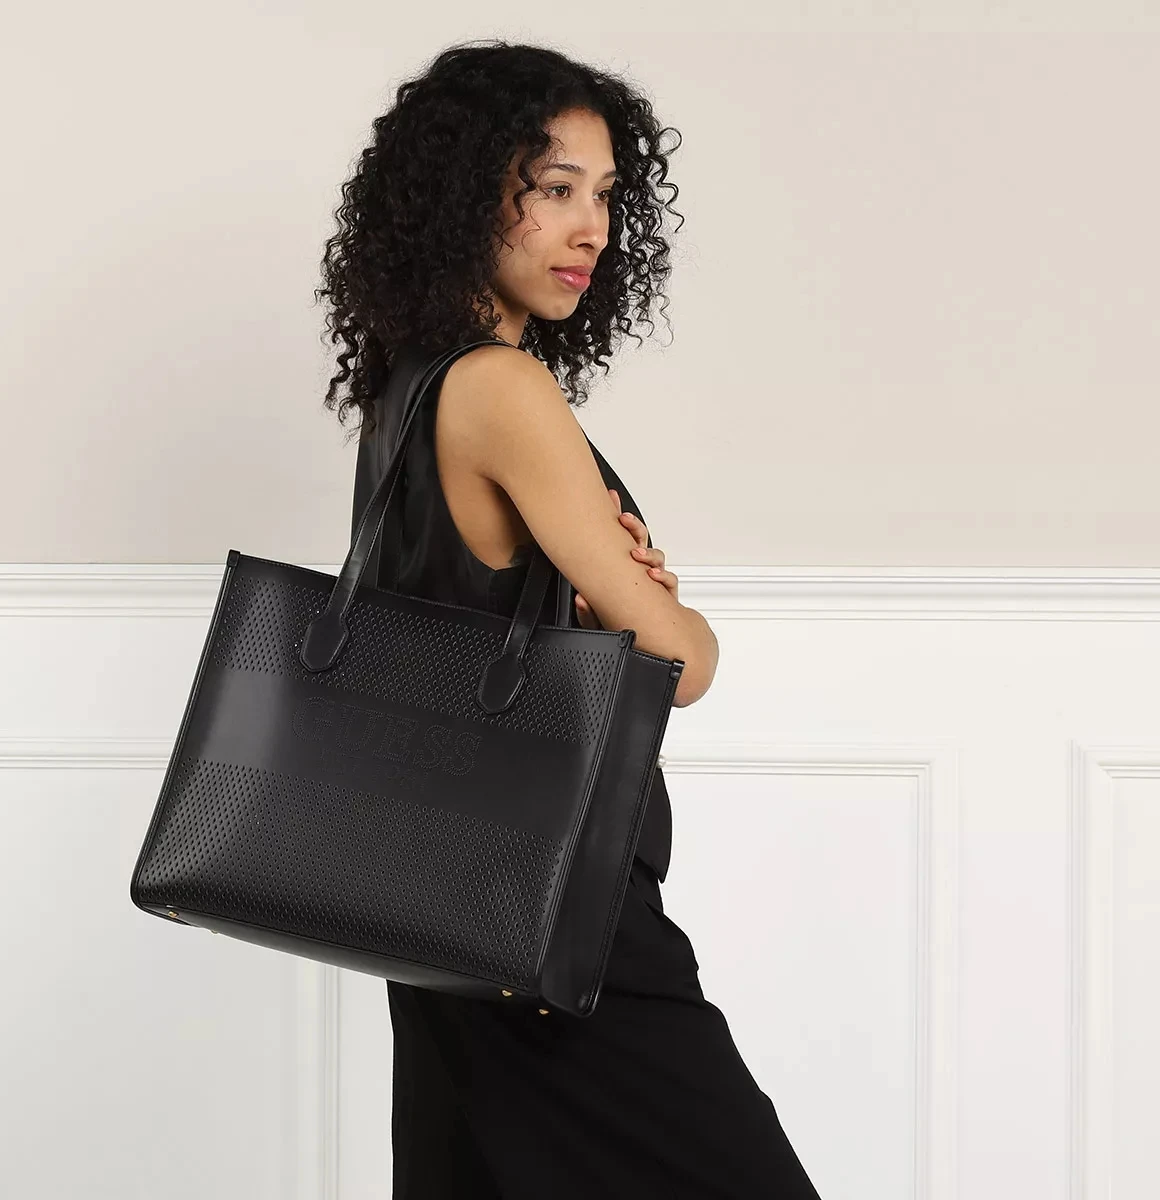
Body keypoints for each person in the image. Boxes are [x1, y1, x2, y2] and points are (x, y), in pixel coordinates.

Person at [317, 38, 823, 1199]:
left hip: (441, 907)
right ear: (463, 195)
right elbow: (681, 663)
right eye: (553, 189)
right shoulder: (501, 387)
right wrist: (662, 607)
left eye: (605, 196)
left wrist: (603, 594)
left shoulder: (408, 386)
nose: (590, 229)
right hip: (554, 912)